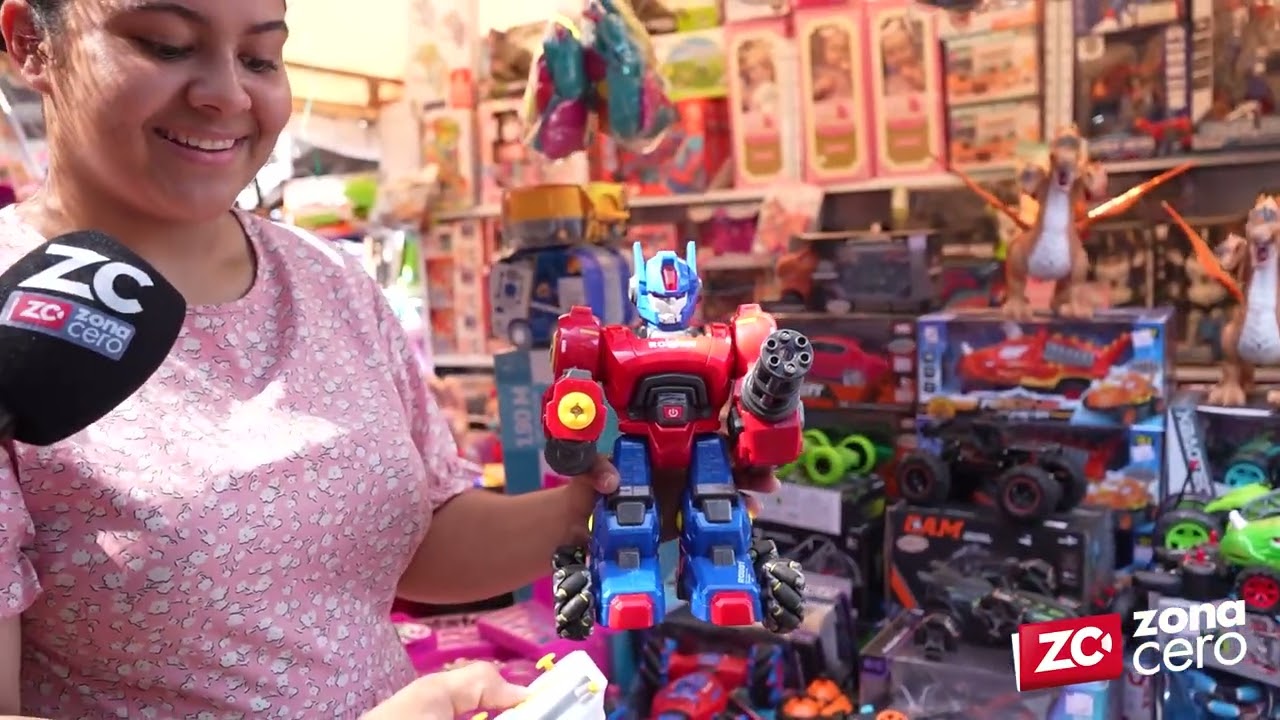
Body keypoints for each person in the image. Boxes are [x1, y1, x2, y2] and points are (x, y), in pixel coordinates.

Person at [0, 1, 779, 718]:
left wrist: (631, 495)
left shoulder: (328, 279)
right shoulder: (13, 312)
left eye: (261, 58)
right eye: (165, 45)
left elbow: (419, 541)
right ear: (31, 43)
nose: (227, 95)